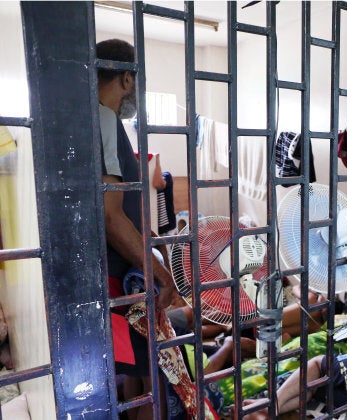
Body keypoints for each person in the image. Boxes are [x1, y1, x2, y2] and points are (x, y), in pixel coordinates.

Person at [97, 39, 195, 420]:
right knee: (149, 369)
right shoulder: (104, 119)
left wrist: (147, 237)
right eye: (134, 82)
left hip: (119, 267)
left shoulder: (100, 122)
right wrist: (160, 272)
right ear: (125, 79)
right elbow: (109, 215)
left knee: (140, 366)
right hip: (120, 274)